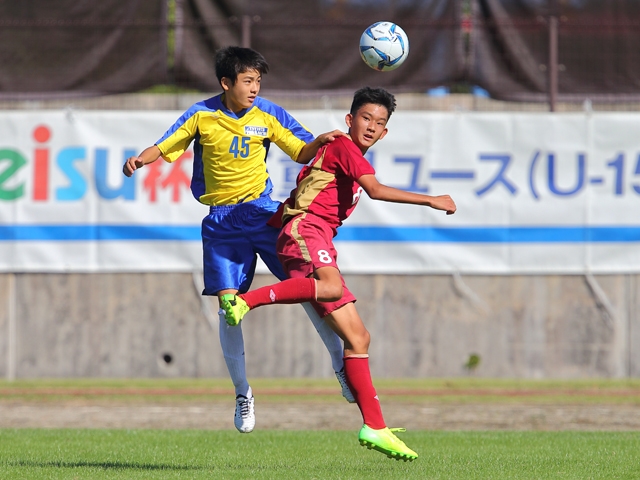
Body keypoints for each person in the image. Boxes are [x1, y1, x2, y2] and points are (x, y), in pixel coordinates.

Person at [122, 46, 355, 434]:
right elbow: (164, 145)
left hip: (263, 214)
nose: (254, 88)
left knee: (310, 288)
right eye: (247, 81)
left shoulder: (268, 113)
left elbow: (301, 149)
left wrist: (322, 140)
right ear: (226, 82)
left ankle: (339, 365)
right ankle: (243, 393)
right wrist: (140, 160)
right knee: (229, 306)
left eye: (258, 81)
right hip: (221, 223)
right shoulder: (202, 115)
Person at [220, 86, 457, 461]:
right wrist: (430, 199)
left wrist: (278, 218)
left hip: (310, 231)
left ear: (384, 133)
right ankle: (245, 301)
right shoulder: (345, 146)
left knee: (359, 338)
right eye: (365, 118)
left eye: (379, 123)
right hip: (306, 230)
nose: (371, 126)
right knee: (328, 287)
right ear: (350, 120)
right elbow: (375, 191)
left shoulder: (340, 154)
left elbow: (302, 192)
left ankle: (375, 427)